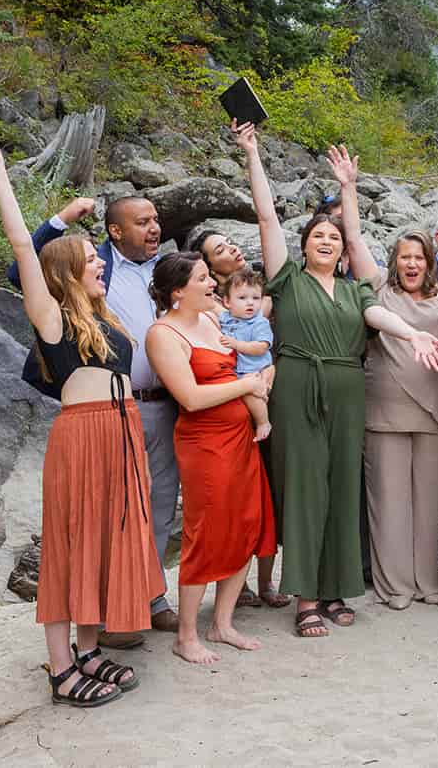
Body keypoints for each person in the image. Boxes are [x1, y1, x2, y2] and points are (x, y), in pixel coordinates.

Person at [0, 138, 161, 707]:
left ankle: (89, 648)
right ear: (68, 273)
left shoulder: (107, 319)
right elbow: (22, 249)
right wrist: (1, 177)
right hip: (84, 435)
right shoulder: (51, 319)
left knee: (106, 543)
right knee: (71, 545)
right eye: (92, 260)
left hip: (122, 433)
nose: (101, 262)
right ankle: (60, 669)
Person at [238, 125, 438, 638]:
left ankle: (334, 589)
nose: (328, 241)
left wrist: (415, 336)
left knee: (342, 490)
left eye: (333, 237)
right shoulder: (286, 280)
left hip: (349, 395)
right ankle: (306, 597)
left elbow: (382, 319)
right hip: (298, 392)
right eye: (318, 237)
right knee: (306, 490)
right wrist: (252, 156)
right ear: (305, 246)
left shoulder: (357, 291)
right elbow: (267, 217)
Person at [7, 191, 180, 642]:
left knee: (140, 517)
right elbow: (23, 257)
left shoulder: (146, 280)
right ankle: (84, 640)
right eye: (141, 221)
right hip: (93, 422)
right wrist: (56, 216)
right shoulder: (57, 312)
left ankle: (133, 608)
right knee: (87, 528)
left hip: (141, 413)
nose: (154, 227)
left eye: (156, 219)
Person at [145, 252, 277, 666]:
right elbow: (191, 398)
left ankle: (222, 623)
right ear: (178, 291)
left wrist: (262, 378)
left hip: (240, 437)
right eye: (203, 279)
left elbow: (255, 334)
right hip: (204, 442)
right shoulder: (163, 335)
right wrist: (246, 387)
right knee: (205, 531)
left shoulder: (213, 319)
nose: (211, 285)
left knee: (245, 523)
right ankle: (186, 635)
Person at [349, 229, 438, 609]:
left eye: (419, 257)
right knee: (389, 502)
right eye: (405, 256)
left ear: (429, 262)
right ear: (394, 260)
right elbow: (354, 242)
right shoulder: (379, 288)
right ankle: (395, 586)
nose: (411, 264)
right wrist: (348, 188)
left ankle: (431, 580)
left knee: (431, 503)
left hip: (435, 410)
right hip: (384, 411)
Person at [187, 227, 285, 611]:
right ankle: (237, 584)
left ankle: (263, 580)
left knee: (265, 497)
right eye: (219, 250)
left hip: (257, 394)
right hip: (225, 412)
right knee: (236, 502)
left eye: (230, 241)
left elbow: (263, 346)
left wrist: (267, 371)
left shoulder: (257, 302)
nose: (232, 249)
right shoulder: (211, 311)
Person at [217, 267, 274, 442]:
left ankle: (263, 422)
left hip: (253, 368)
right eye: (242, 298)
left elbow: (261, 347)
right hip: (235, 370)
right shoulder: (225, 318)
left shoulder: (259, 323)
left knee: (252, 392)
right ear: (227, 302)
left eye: (255, 298)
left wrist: (236, 345)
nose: (250, 303)